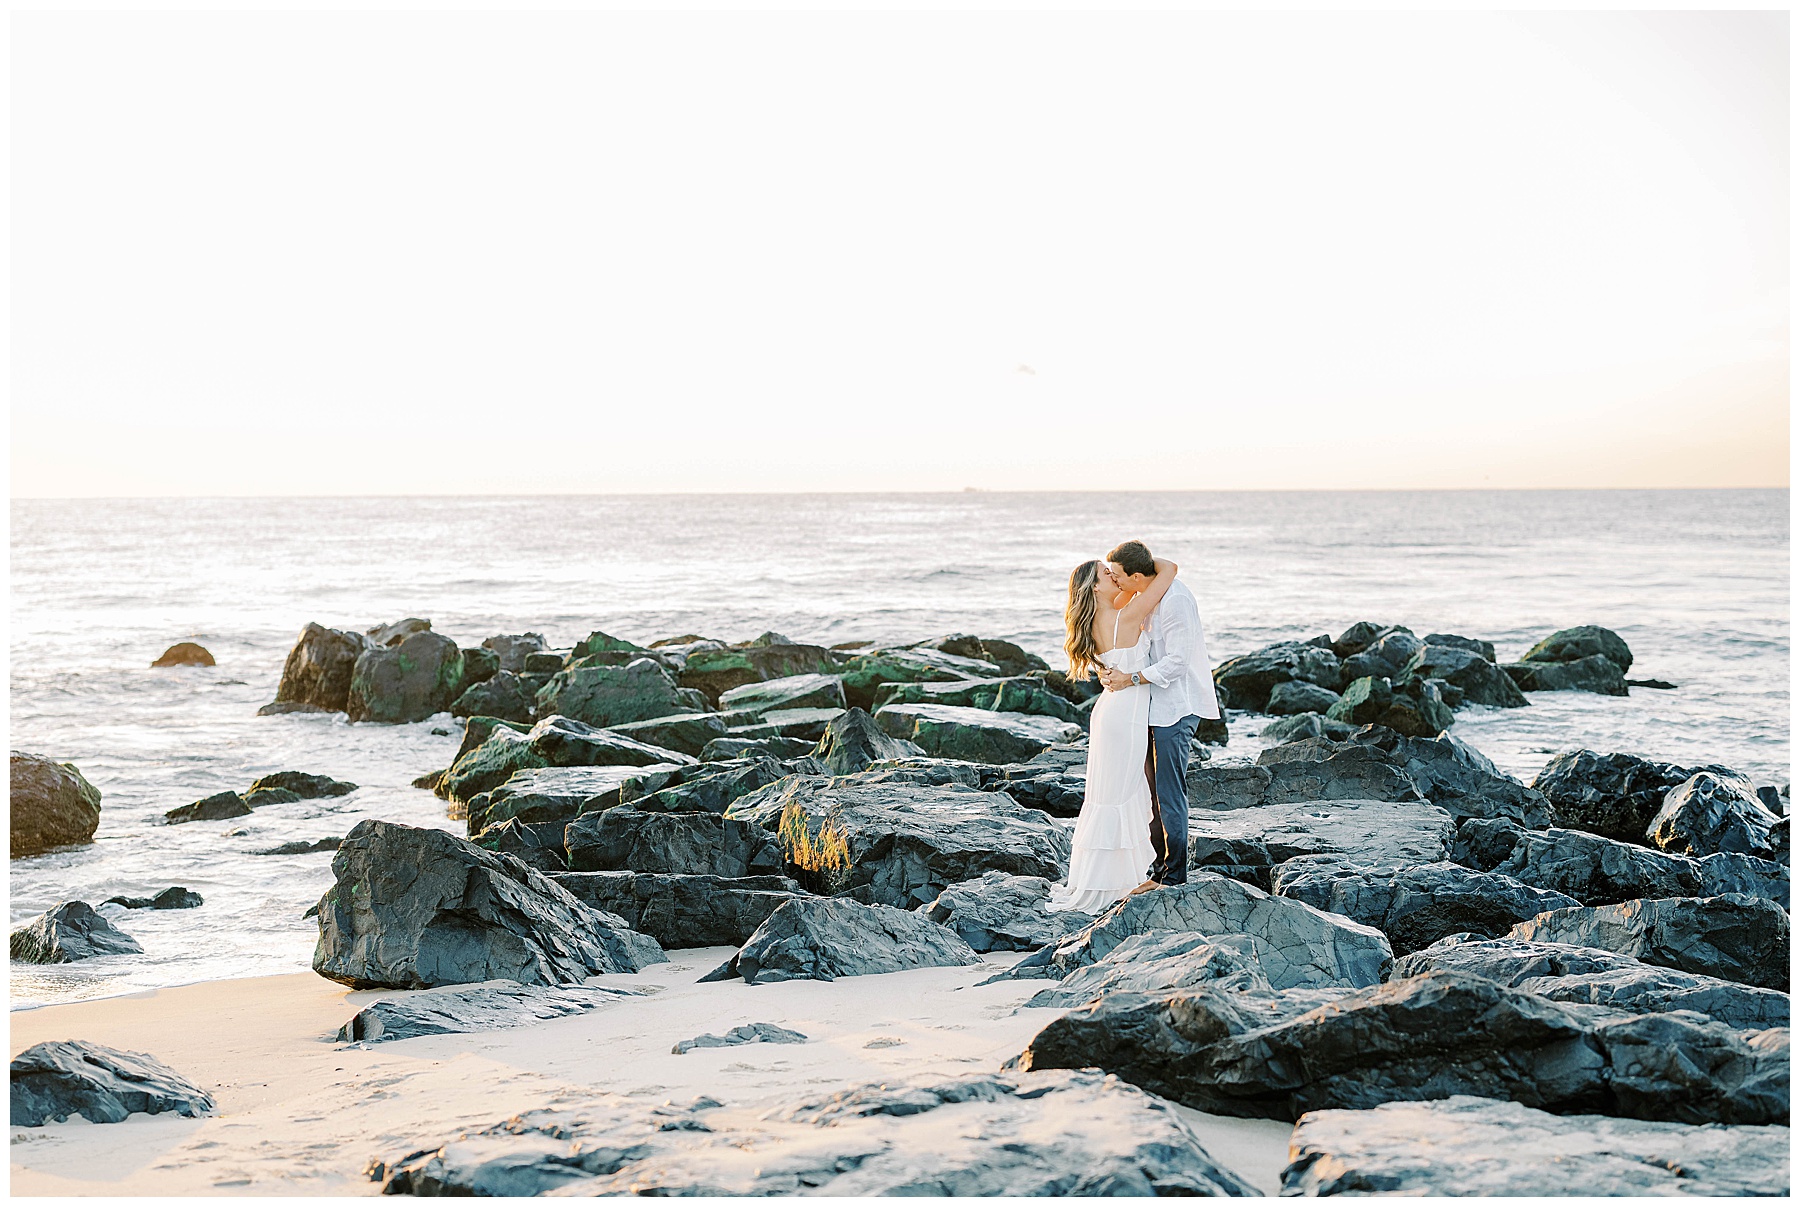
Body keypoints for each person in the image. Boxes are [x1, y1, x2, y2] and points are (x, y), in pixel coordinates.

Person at [1046, 553, 1179, 912]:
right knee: (1122, 794)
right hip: (1125, 715)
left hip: (1111, 710)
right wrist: (1138, 560)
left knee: (1113, 794)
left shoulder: (1096, 619)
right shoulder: (1127, 615)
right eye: (1108, 574)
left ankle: (1111, 877)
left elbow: (1122, 593)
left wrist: (1120, 574)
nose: (1115, 577)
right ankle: (1111, 884)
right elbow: (1169, 570)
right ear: (1094, 586)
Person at [1095, 539, 1221, 888]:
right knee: (1151, 794)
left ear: (1136, 575)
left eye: (1119, 575)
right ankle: (1158, 871)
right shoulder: (1145, 595)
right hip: (1151, 708)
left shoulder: (1176, 601)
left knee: (1169, 793)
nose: (1115, 580)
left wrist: (1130, 677)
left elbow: (1178, 663)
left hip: (1177, 708)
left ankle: (1174, 876)